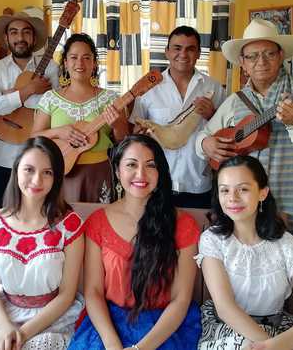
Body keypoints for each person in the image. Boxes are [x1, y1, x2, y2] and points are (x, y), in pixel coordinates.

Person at [195, 18, 293, 242]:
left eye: (269, 54)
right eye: (252, 56)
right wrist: (206, 144)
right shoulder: (235, 101)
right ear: (242, 62)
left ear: (281, 55)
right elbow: (202, 137)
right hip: (243, 207)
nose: (260, 62)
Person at [68, 134, 201, 350]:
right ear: (118, 171)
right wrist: (112, 344)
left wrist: (142, 348)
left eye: (150, 165)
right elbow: (93, 292)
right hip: (109, 323)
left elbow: (181, 299)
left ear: (160, 173)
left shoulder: (182, 224)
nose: (141, 174)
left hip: (165, 325)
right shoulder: (98, 222)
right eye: (131, 164)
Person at [0, 136, 84, 350]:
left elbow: (66, 295)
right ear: (16, 169)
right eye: (29, 169)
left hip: (51, 320)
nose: (37, 180)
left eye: (47, 172)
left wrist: (22, 334)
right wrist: (5, 328)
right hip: (0, 317)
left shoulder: (69, 225)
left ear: (56, 178)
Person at [196, 155, 293, 350]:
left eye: (243, 189)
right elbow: (225, 309)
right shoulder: (212, 240)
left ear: (263, 193)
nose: (232, 198)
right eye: (225, 190)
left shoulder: (289, 245)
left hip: (278, 333)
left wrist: (274, 346)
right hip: (226, 329)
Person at [131, 26, 226, 209]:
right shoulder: (148, 88)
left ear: (198, 53)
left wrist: (211, 114)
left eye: (190, 49)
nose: (183, 54)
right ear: (167, 52)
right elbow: (135, 133)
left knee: (196, 236)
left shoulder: (215, 89)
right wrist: (140, 133)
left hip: (199, 185)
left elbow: (227, 135)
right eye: (177, 48)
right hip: (156, 184)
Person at [31, 33, 129, 203]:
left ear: (94, 63)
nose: (80, 63)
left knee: (98, 224)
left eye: (86, 57)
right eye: (74, 57)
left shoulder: (111, 99)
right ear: (65, 62)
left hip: (99, 172)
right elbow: (33, 138)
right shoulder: (50, 98)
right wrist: (59, 132)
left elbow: (122, 141)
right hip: (60, 171)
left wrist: (118, 124)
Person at [0, 7, 58, 207]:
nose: (20, 37)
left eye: (26, 32)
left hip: (40, 159)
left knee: (40, 215)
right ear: (6, 38)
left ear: (34, 38)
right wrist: (29, 90)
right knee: (5, 215)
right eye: (14, 32)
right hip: (4, 159)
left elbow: (54, 109)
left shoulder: (51, 68)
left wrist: (10, 97)